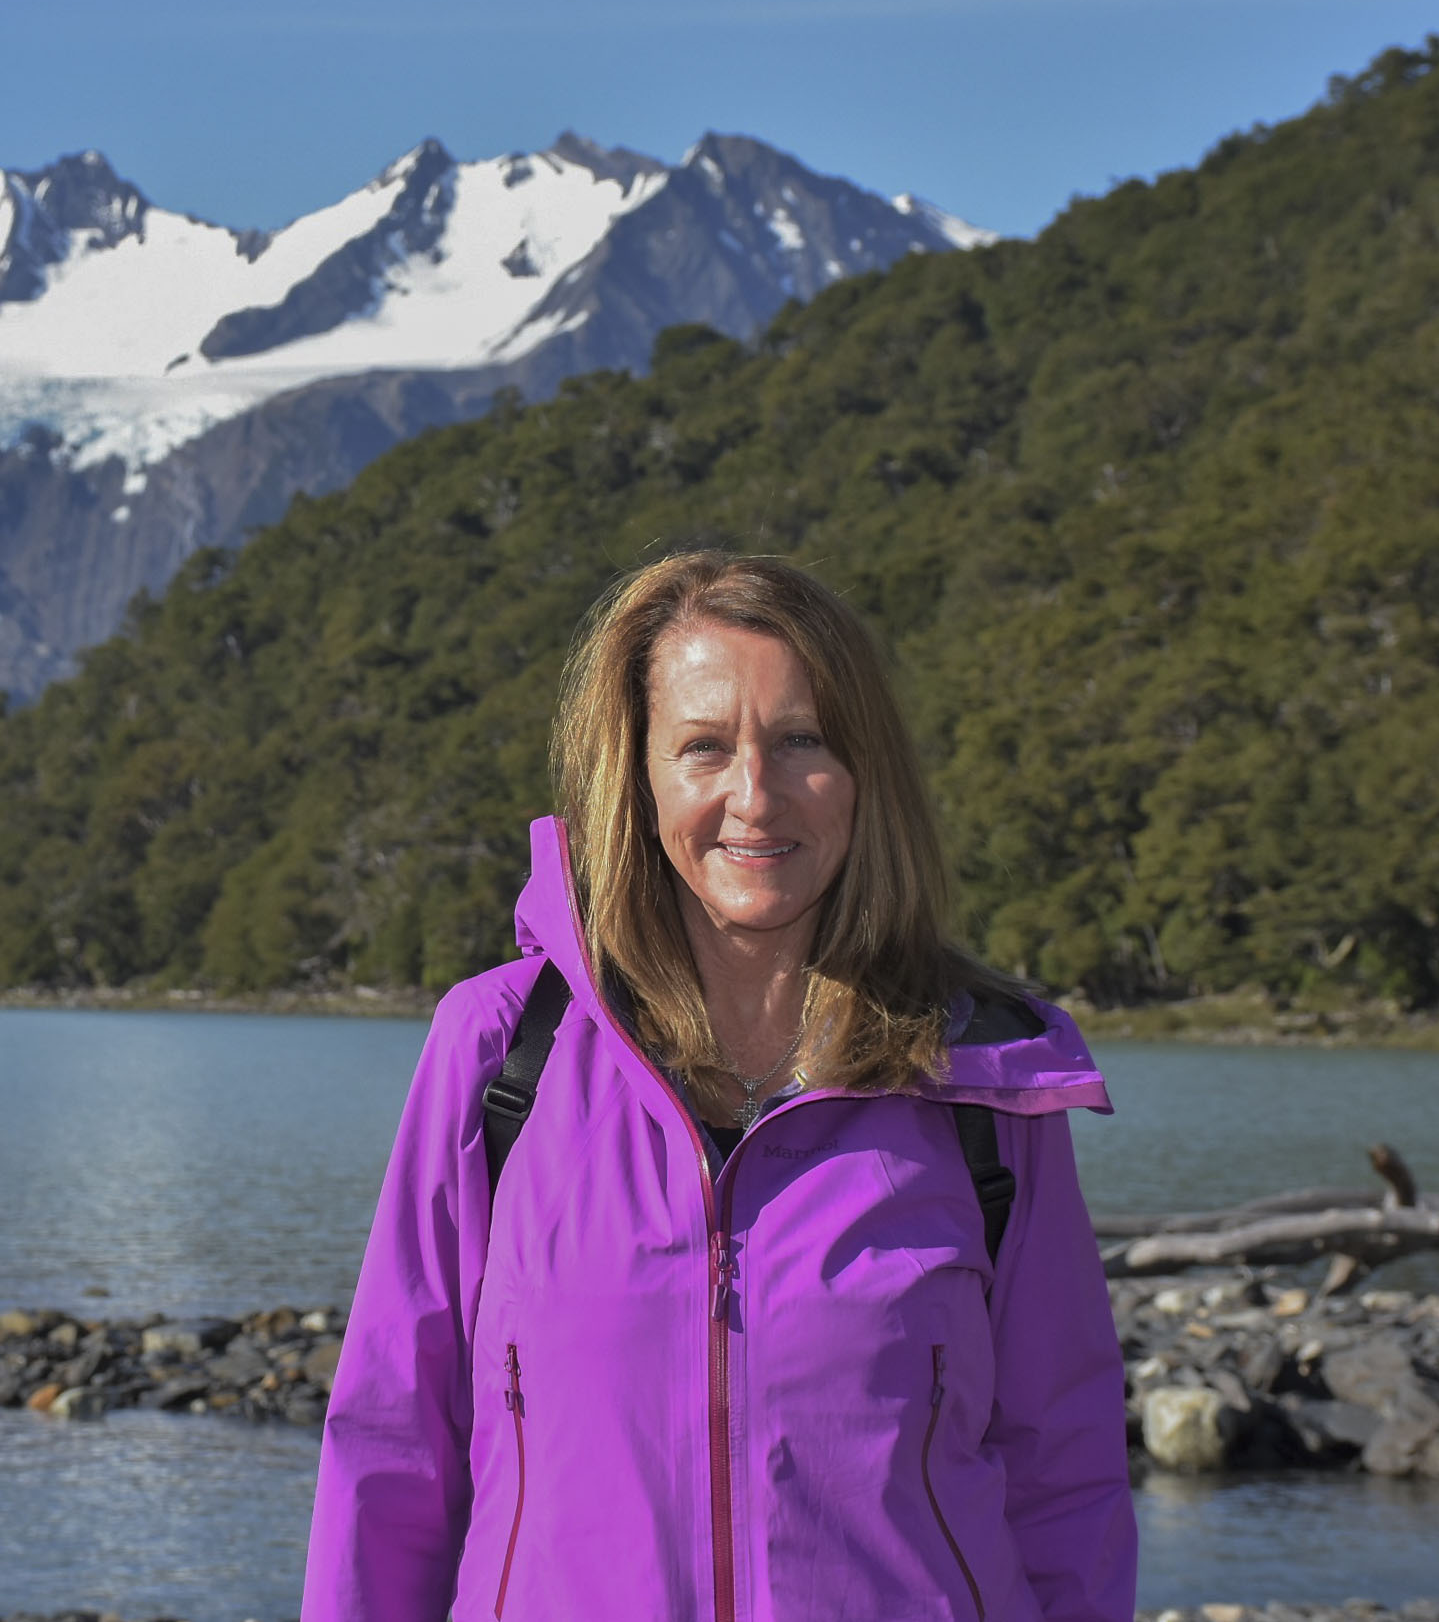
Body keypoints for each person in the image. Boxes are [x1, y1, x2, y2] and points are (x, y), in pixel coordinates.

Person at [303, 551, 1133, 1622]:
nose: (755, 795)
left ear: (862, 769)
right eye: (703, 746)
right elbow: (391, 1450)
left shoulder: (982, 1076)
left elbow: (1063, 1476)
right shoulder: (500, 1051)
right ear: (638, 777)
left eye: (801, 741)